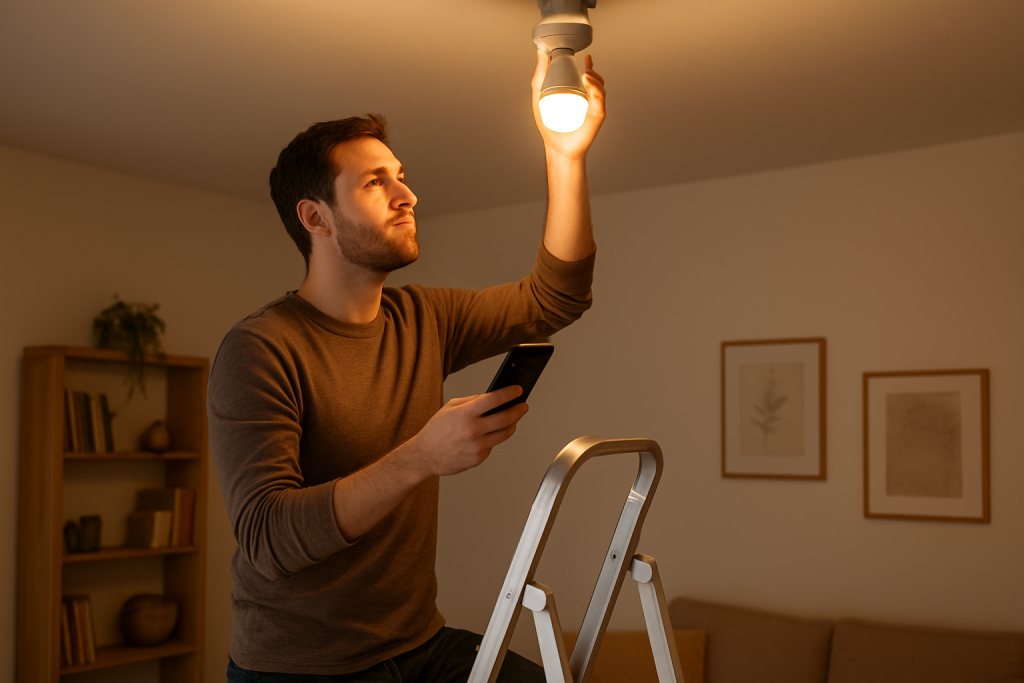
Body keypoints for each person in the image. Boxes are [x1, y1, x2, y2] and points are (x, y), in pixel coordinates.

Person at [209, 50, 606, 682]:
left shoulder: (423, 319)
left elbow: (557, 296)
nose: (407, 195)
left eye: (400, 176)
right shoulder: (260, 348)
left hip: (419, 644)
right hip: (300, 670)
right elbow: (268, 538)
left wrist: (566, 154)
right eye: (375, 183)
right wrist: (423, 455)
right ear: (315, 218)